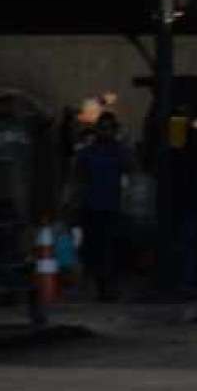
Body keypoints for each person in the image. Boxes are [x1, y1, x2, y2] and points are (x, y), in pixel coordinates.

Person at [70, 96, 131, 301]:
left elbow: (131, 169)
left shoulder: (116, 151)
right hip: (95, 206)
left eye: (108, 128)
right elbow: (79, 178)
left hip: (109, 206)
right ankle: (98, 286)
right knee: (95, 249)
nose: (105, 132)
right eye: (103, 128)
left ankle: (105, 287)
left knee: (107, 250)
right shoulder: (91, 151)